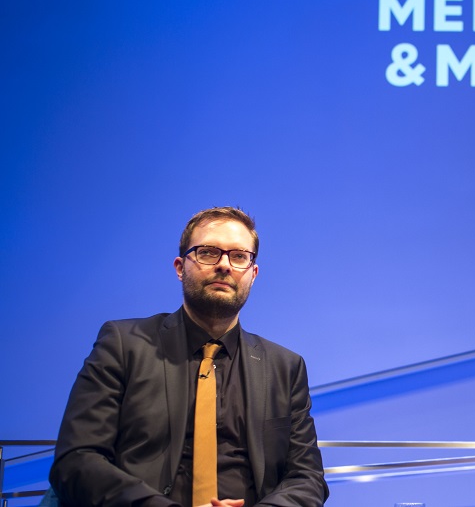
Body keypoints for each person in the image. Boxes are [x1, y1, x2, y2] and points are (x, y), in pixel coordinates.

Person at [49, 207, 329, 507]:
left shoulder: (284, 368)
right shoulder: (123, 344)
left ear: (253, 273)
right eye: (208, 253)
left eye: (239, 256)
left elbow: (307, 477)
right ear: (180, 266)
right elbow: (77, 459)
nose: (224, 265)